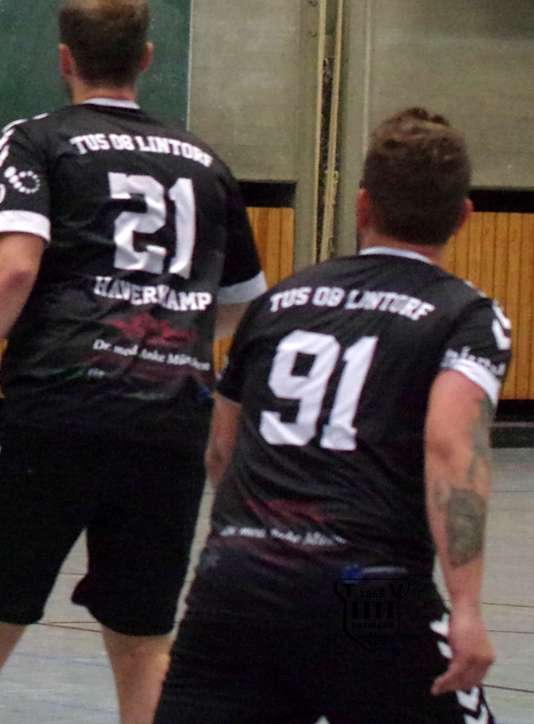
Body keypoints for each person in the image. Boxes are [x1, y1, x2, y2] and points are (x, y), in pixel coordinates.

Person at [0, 0, 266, 724]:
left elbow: (14, 266)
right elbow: (239, 306)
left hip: (61, 406)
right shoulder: (205, 163)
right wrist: (160, 323)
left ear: (65, 59)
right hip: (170, 417)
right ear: (147, 57)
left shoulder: (38, 139)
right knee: (144, 642)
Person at [154, 109, 504, 724]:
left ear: (362, 205)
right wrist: (467, 605)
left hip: (238, 585)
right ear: (463, 216)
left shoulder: (277, 305)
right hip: (367, 590)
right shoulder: (465, 316)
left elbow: (223, 451)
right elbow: (452, 446)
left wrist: (268, 540)